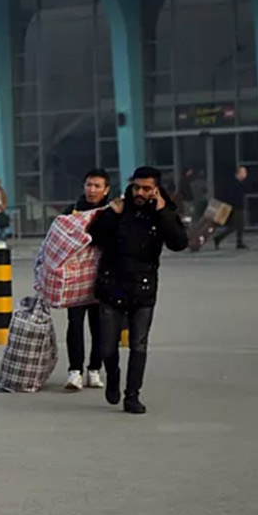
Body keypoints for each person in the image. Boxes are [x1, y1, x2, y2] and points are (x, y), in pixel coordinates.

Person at [89, 166, 188, 414]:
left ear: (155, 189)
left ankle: (132, 395)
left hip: (143, 289)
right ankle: (112, 376)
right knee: (107, 347)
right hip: (112, 285)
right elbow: (94, 236)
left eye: (146, 188)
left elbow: (179, 243)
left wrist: (163, 211)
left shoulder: (162, 212)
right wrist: (112, 214)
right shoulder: (120, 208)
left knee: (138, 345)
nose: (140, 193)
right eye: (137, 187)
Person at [61, 169, 111, 392]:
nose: (92, 190)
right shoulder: (71, 212)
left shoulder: (111, 213)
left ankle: (94, 369)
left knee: (99, 325)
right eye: (89, 185)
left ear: (106, 190)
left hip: (101, 278)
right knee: (75, 323)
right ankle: (75, 371)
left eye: (97, 186)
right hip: (75, 278)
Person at [214, 166, 249, 250]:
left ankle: (219, 238)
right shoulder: (234, 183)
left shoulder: (237, 182)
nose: (245, 175)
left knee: (234, 226)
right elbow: (233, 195)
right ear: (239, 173)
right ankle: (238, 242)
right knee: (239, 225)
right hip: (236, 207)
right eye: (244, 172)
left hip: (235, 206)